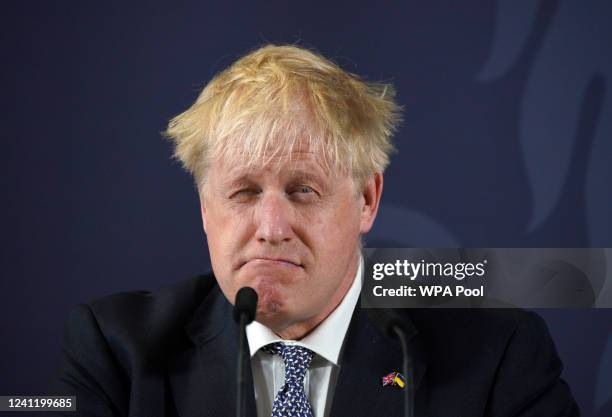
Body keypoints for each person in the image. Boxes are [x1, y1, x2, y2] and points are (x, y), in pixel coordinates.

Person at [50, 44, 579, 417]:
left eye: (303, 190)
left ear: (367, 200)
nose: (272, 228)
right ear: (204, 208)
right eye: (244, 192)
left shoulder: (498, 354)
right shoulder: (116, 350)